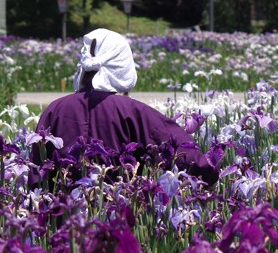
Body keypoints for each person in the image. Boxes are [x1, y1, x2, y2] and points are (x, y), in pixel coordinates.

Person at [31, 28, 220, 186]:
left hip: (65, 221)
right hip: (119, 221)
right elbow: (193, 160)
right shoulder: (135, 111)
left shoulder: (55, 110)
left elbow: (36, 175)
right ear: (122, 65)